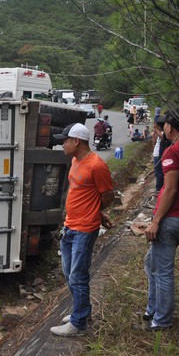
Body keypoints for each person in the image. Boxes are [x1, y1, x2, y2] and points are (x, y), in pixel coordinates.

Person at [50, 123, 114, 336]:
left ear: (76, 141)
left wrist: (96, 212)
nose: (62, 145)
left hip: (84, 229)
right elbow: (81, 192)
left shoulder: (97, 166)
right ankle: (82, 311)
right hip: (70, 226)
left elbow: (107, 195)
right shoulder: (76, 160)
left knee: (78, 275)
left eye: (64, 141)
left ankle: (78, 324)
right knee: (70, 273)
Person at [142, 108, 179, 331]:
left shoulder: (174, 151)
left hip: (171, 218)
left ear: (170, 127)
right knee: (151, 263)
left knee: (162, 271)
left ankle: (161, 320)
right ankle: (152, 309)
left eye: (165, 125)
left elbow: (169, 190)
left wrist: (156, 221)